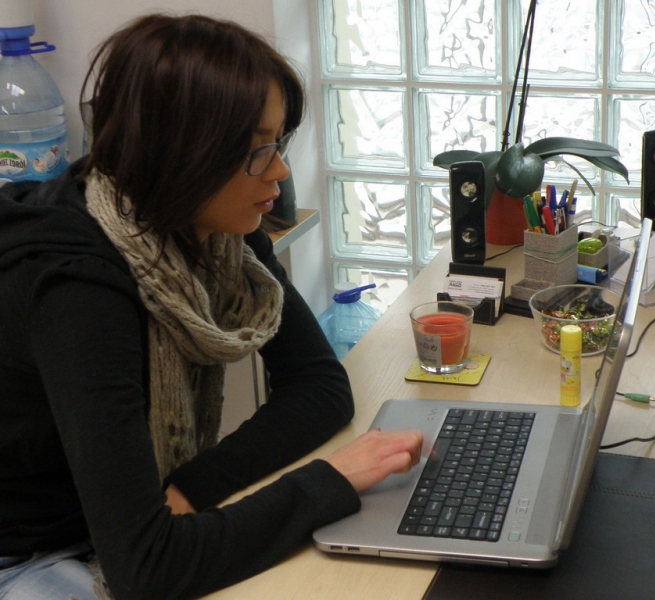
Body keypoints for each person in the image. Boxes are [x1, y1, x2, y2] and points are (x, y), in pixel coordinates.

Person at [0, 13, 423, 600]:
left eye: (278, 142)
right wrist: (332, 479)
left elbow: (320, 386)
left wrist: (195, 485)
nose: (279, 171)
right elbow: (148, 569)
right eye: (256, 150)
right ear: (181, 153)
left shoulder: (214, 232)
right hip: (29, 554)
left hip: (118, 531)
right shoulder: (78, 286)